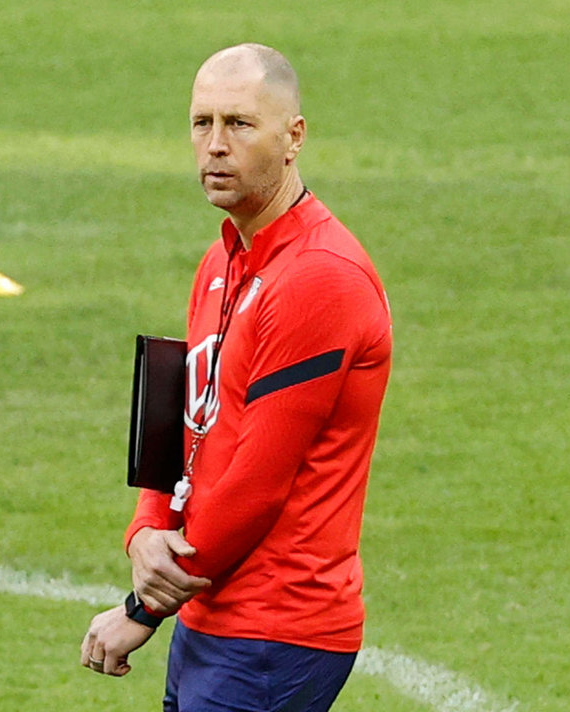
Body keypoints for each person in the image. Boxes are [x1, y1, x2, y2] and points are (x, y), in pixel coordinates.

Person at [80, 42, 392, 712]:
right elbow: (184, 425)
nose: (215, 146)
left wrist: (142, 607)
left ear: (293, 137)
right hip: (213, 617)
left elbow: (256, 482)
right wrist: (143, 532)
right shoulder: (221, 263)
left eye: (239, 124)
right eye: (202, 123)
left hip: (276, 632)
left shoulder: (319, 278)